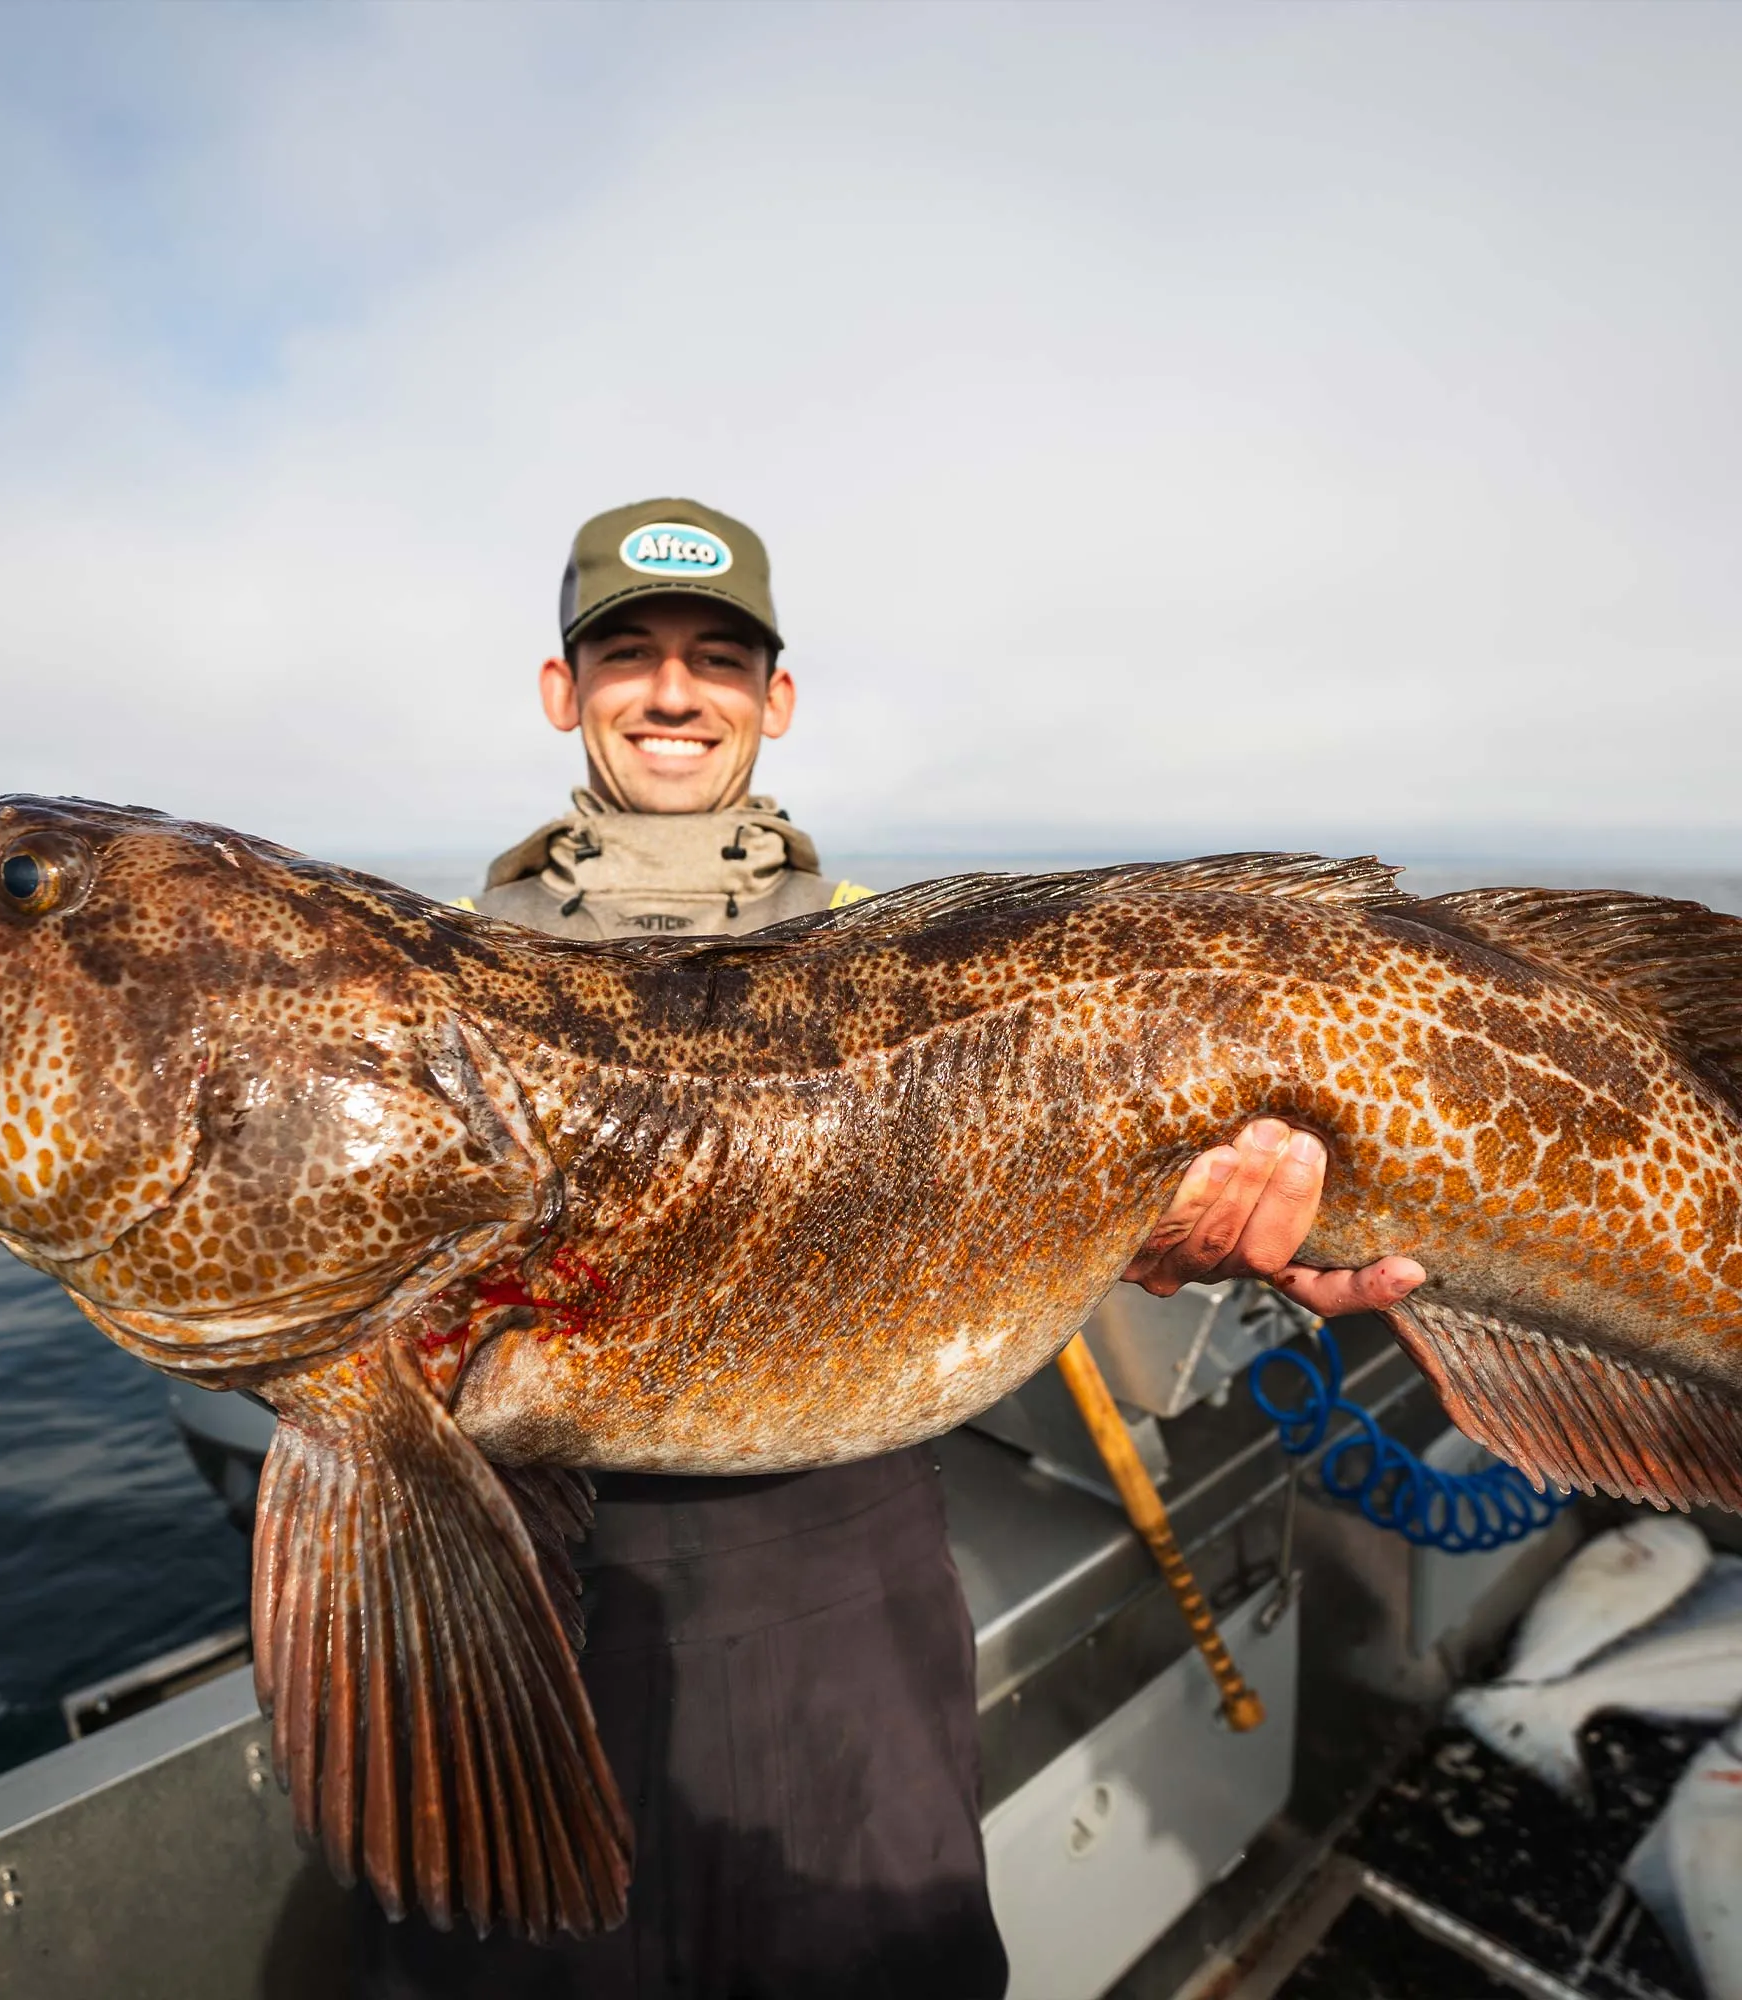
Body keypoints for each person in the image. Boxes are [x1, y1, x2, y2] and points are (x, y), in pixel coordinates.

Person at [364, 499, 1424, 1998]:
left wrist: (1219, 1224)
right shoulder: (428, 980)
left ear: (774, 702)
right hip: (515, 1586)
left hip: (836, 1576)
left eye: (719, 660)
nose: (675, 692)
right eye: (630, 655)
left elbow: (1060, 1183)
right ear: (564, 692)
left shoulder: (910, 957)